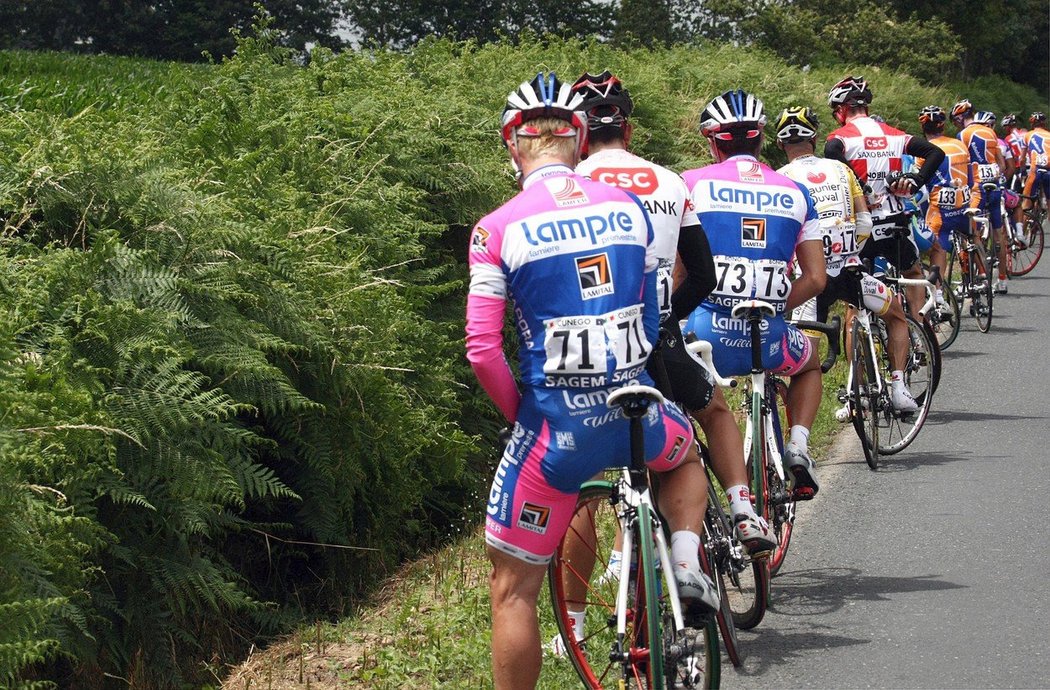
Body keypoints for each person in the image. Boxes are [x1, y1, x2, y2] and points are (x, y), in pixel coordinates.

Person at [466, 72, 716, 689]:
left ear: (512, 143)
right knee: (685, 461)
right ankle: (685, 558)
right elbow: (652, 305)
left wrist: (522, 418)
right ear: (578, 139)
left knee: (513, 591)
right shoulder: (628, 208)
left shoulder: (497, 227)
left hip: (556, 434)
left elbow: (482, 351)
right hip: (639, 414)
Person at [572, 71, 775, 550]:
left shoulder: (564, 186)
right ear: (630, 131)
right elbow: (703, 275)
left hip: (586, 352)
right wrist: (669, 318)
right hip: (659, 344)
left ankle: (578, 618)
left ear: (579, 133)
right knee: (714, 412)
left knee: (586, 488)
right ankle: (743, 508)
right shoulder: (668, 181)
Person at [681, 90, 827, 498]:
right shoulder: (797, 193)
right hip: (772, 337)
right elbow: (816, 279)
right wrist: (775, 306)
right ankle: (798, 446)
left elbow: (678, 273)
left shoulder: (689, 184)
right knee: (811, 362)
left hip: (704, 340)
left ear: (712, 141)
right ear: (762, 138)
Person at [775, 106, 918, 413]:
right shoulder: (842, 171)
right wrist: (851, 250)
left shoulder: (780, 180)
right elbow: (865, 223)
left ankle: (798, 438)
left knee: (805, 361)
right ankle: (898, 387)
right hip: (851, 273)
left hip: (809, 283)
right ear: (814, 139)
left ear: (779, 145)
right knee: (896, 316)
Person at [824, 76, 945, 317]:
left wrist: (862, 189)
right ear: (865, 107)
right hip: (894, 221)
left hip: (861, 226)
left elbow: (831, 153)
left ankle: (857, 351)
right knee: (912, 274)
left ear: (841, 110)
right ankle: (920, 331)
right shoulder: (894, 134)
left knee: (854, 299)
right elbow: (935, 152)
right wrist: (916, 181)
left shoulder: (839, 138)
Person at [917, 105, 981, 292]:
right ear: (943, 126)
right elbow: (969, 179)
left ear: (923, 128)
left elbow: (922, 187)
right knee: (974, 237)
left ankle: (938, 294)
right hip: (964, 207)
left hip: (941, 213)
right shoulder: (959, 144)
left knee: (938, 249)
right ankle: (984, 275)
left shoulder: (923, 150)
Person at [952, 99, 1010, 294]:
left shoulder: (962, 135)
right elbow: (1001, 164)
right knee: (999, 235)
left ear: (960, 119)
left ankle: (982, 275)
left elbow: (960, 164)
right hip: (994, 188)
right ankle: (1002, 280)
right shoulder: (991, 132)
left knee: (971, 234)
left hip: (976, 190)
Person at [1002, 113, 1030, 243]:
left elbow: (1010, 159)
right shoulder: (1025, 134)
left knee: (1014, 194)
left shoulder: (1008, 139)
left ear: (1008, 127)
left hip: (1018, 167)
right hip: (1030, 165)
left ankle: (1014, 227)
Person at [1022, 112, 1050, 210]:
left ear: (1032, 124)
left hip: (1035, 171)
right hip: (1049, 171)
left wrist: (1022, 172)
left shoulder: (1028, 135)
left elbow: (1022, 158)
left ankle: (1023, 225)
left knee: (1025, 205)